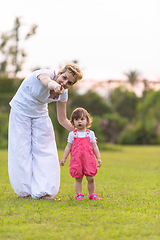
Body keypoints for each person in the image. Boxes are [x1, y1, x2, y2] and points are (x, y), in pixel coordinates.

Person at [8, 62, 83, 199]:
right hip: (20, 111)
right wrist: (56, 86)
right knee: (21, 151)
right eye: (64, 77)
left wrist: (80, 133)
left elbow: (62, 119)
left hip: (40, 114)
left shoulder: (63, 93)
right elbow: (47, 83)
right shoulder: (44, 74)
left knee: (46, 150)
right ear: (59, 73)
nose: (65, 83)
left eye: (70, 83)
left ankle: (45, 191)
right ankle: (25, 191)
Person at [60, 107, 102, 200]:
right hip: (77, 160)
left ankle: (92, 194)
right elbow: (68, 147)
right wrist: (64, 158)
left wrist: (98, 158)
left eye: (82, 119)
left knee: (91, 178)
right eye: (76, 119)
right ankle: (79, 194)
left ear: (87, 121)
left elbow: (95, 146)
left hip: (89, 159)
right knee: (78, 178)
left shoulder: (90, 133)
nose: (79, 121)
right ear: (73, 122)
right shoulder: (72, 134)